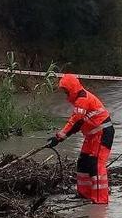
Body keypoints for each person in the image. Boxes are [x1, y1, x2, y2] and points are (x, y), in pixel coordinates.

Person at [48, 74, 113, 204]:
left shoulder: (82, 99)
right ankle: (84, 194)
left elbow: (75, 122)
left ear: (71, 88)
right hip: (92, 135)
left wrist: (59, 138)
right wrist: (59, 137)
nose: (65, 93)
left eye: (66, 90)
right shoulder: (80, 99)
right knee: (83, 162)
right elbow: (78, 124)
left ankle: (100, 200)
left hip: (103, 133)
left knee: (96, 165)